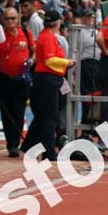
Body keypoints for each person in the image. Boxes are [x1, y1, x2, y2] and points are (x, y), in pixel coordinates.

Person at [22, 10, 74, 160]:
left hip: (46, 78)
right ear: (58, 23)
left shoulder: (46, 36)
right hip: (48, 79)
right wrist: (67, 62)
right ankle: (48, 151)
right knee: (50, 117)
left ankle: (28, 145)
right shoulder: (49, 38)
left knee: (42, 116)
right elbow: (50, 61)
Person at [0, 7, 33, 157]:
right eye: (8, 19)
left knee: (19, 111)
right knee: (7, 112)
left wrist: (31, 60)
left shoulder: (26, 33)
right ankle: (11, 144)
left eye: (13, 18)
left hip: (22, 79)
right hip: (5, 78)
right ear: (3, 20)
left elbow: (33, 50)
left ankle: (16, 142)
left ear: (18, 18)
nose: (11, 22)